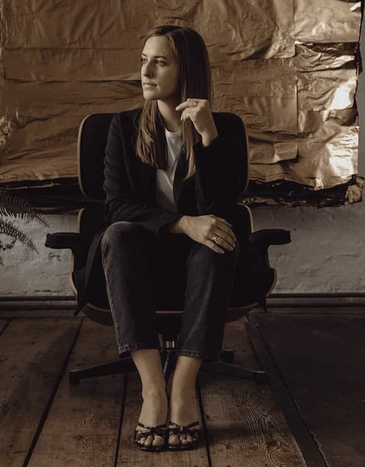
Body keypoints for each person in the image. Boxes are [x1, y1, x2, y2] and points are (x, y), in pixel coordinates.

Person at [100, 24, 248, 452]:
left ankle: (182, 388)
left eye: (159, 62)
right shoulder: (123, 127)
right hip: (141, 253)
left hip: (201, 261)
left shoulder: (226, 130)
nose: (145, 71)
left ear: (188, 72)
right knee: (119, 233)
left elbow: (222, 205)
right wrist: (182, 222)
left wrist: (206, 138)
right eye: (144, 60)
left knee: (218, 238)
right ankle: (153, 389)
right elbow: (116, 206)